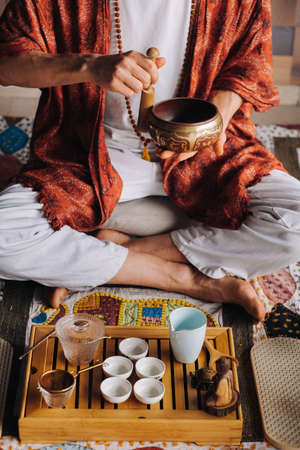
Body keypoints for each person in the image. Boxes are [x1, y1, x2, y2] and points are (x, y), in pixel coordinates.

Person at [0, 0, 300, 322]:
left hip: (206, 152)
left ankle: (113, 255)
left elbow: (249, 65)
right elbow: (6, 63)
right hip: (88, 152)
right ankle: (190, 280)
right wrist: (88, 66)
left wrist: (213, 121)